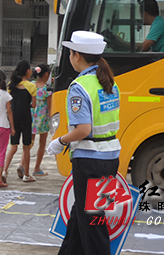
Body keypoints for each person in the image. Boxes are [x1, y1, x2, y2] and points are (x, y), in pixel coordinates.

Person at [47, 30, 121, 255]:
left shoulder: (80, 87)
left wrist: (60, 141)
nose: (70, 56)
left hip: (89, 162)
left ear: (76, 55)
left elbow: (83, 129)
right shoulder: (109, 82)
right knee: (83, 215)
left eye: (70, 52)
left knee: (92, 224)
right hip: (110, 158)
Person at [3, 60, 37, 183]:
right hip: (26, 119)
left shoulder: (11, 85)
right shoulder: (32, 86)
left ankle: (4, 171)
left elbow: (9, 103)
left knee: (13, 146)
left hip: (14, 119)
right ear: (27, 71)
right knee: (26, 147)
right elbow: (33, 105)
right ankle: (27, 175)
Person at [31, 64, 52, 176]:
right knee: (42, 143)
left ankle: (22, 165)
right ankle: (37, 168)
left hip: (31, 117)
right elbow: (49, 107)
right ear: (46, 75)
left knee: (29, 143)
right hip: (42, 119)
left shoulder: (32, 86)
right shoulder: (47, 89)